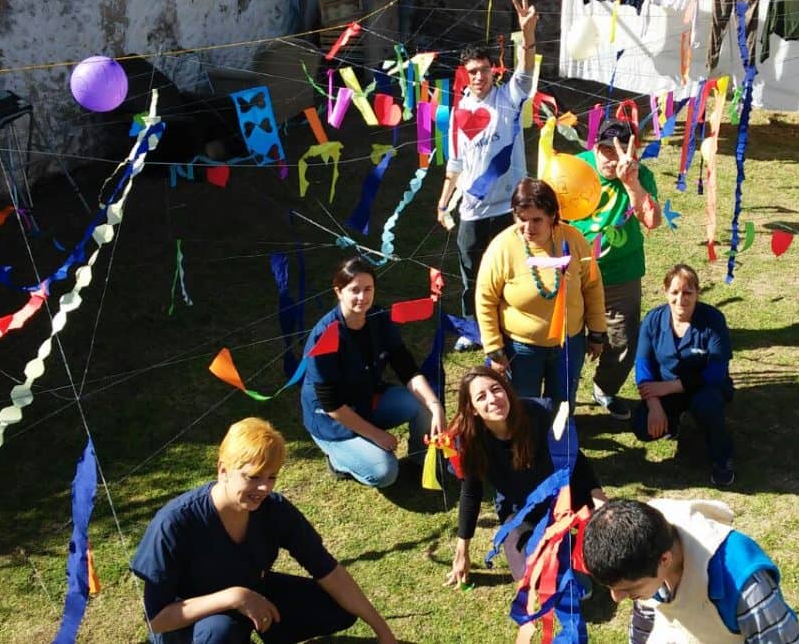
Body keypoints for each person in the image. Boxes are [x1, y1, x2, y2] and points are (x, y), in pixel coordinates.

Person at [130, 417, 397, 644]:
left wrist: (383, 633)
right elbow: (157, 620)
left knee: (338, 607)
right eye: (253, 477)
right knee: (221, 631)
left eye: (271, 477)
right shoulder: (174, 523)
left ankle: (266, 630)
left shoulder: (273, 509)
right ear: (223, 471)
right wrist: (235, 597)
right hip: (191, 626)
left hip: (253, 592)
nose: (264, 489)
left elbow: (328, 570)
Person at [444, 366, 606, 642]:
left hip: (566, 500)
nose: (492, 399)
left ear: (507, 390)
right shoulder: (469, 439)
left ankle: (573, 552)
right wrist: (463, 549)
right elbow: (470, 492)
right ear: (471, 409)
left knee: (596, 565)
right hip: (521, 511)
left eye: (496, 389)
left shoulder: (540, 413)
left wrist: (597, 497)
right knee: (533, 582)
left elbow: (575, 460)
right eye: (480, 396)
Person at [436, 0, 538, 353]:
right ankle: (473, 327)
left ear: (493, 70)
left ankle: (511, 321)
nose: (478, 77)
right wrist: (443, 201)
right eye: (472, 72)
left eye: (483, 70)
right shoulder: (459, 112)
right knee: (470, 272)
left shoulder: (509, 98)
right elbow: (456, 163)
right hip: (473, 209)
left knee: (514, 269)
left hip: (510, 206)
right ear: (465, 76)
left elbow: (526, 69)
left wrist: (528, 34)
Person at [301, 257, 445, 488]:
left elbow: (406, 367)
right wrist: (377, 435)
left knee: (423, 403)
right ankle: (337, 460)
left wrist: (435, 405)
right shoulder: (325, 336)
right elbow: (332, 404)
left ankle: (421, 459)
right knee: (385, 472)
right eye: (354, 290)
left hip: (366, 400)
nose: (362, 297)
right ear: (338, 292)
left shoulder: (379, 319)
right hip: (333, 420)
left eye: (368, 289)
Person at [582, 498, 799, 644]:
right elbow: (646, 620)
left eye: (629, 589)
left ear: (664, 560)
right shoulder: (641, 546)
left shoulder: (743, 584)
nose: (616, 598)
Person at [476, 177, 607, 408]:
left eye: (537, 220)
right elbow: (485, 299)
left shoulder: (574, 239)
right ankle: (528, 445)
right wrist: (495, 349)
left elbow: (592, 287)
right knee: (524, 408)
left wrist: (597, 332)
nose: (528, 228)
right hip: (521, 349)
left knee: (563, 404)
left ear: (553, 216)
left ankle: (559, 443)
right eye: (522, 219)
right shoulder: (502, 247)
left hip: (569, 343)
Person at [571, 118, 661, 420]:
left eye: (623, 150)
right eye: (607, 150)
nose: (614, 158)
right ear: (595, 147)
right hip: (576, 271)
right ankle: (562, 398)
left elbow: (652, 221)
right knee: (568, 340)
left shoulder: (639, 174)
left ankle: (604, 387)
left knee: (622, 342)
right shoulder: (575, 169)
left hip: (622, 274)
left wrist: (631, 183)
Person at [633, 264, 735, 486]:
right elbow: (642, 365)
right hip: (664, 388)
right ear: (665, 292)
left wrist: (670, 387)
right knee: (642, 426)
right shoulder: (652, 319)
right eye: (675, 292)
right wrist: (654, 404)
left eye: (688, 293)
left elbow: (717, 371)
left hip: (705, 387)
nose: (681, 300)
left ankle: (723, 459)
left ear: (698, 292)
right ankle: (673, 422)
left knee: (707, 406)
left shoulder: (713, 320)